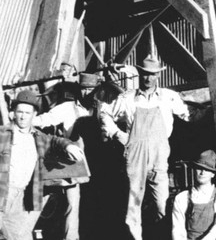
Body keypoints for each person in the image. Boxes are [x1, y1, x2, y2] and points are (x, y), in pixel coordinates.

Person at [100, 56, 204, 240]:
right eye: (145, 74)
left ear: (158, 75)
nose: (148, 78)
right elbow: (105, 112)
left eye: (152, 74)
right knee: (133, 206)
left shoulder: (168, 97)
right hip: (135, 156)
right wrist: (117, 133)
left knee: (162, 204)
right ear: (140, 74)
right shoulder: (127, 98)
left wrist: (210, 112)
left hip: (159, 156)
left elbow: (189, 115)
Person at [0, 90, 85, 240]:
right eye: (19, 112)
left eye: (27, 113)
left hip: (26, 194)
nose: (22, 116)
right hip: (5, 192)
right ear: (13, 112)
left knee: (19, 235)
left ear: (34, 115)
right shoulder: (3, 134)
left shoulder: (38, 136)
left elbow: (55, 140)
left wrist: (68, 146)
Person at [32, 73, 100, 240]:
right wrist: (27, 120)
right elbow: (44, 120)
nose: (87, 93)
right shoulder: (67, 108)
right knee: (72, 204)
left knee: (97, 204)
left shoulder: (102, 107)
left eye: (90, 89)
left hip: (99, 161)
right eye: (83, 89)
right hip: (75, 163)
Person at [172, 150, 216, 240]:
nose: (202, 172)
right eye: (199, 168)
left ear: (213, 174)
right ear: (194, 170)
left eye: (207, 169)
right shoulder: (181, 197)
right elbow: (177, 229)